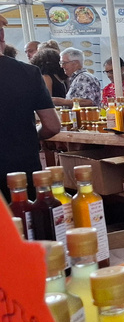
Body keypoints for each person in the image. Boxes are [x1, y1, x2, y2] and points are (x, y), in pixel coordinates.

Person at [0, 14, 60, 201]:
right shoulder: (29, 73)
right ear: (1, 35)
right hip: (21, 168)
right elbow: (52, 126)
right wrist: (31, 136)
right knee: (27, 216)